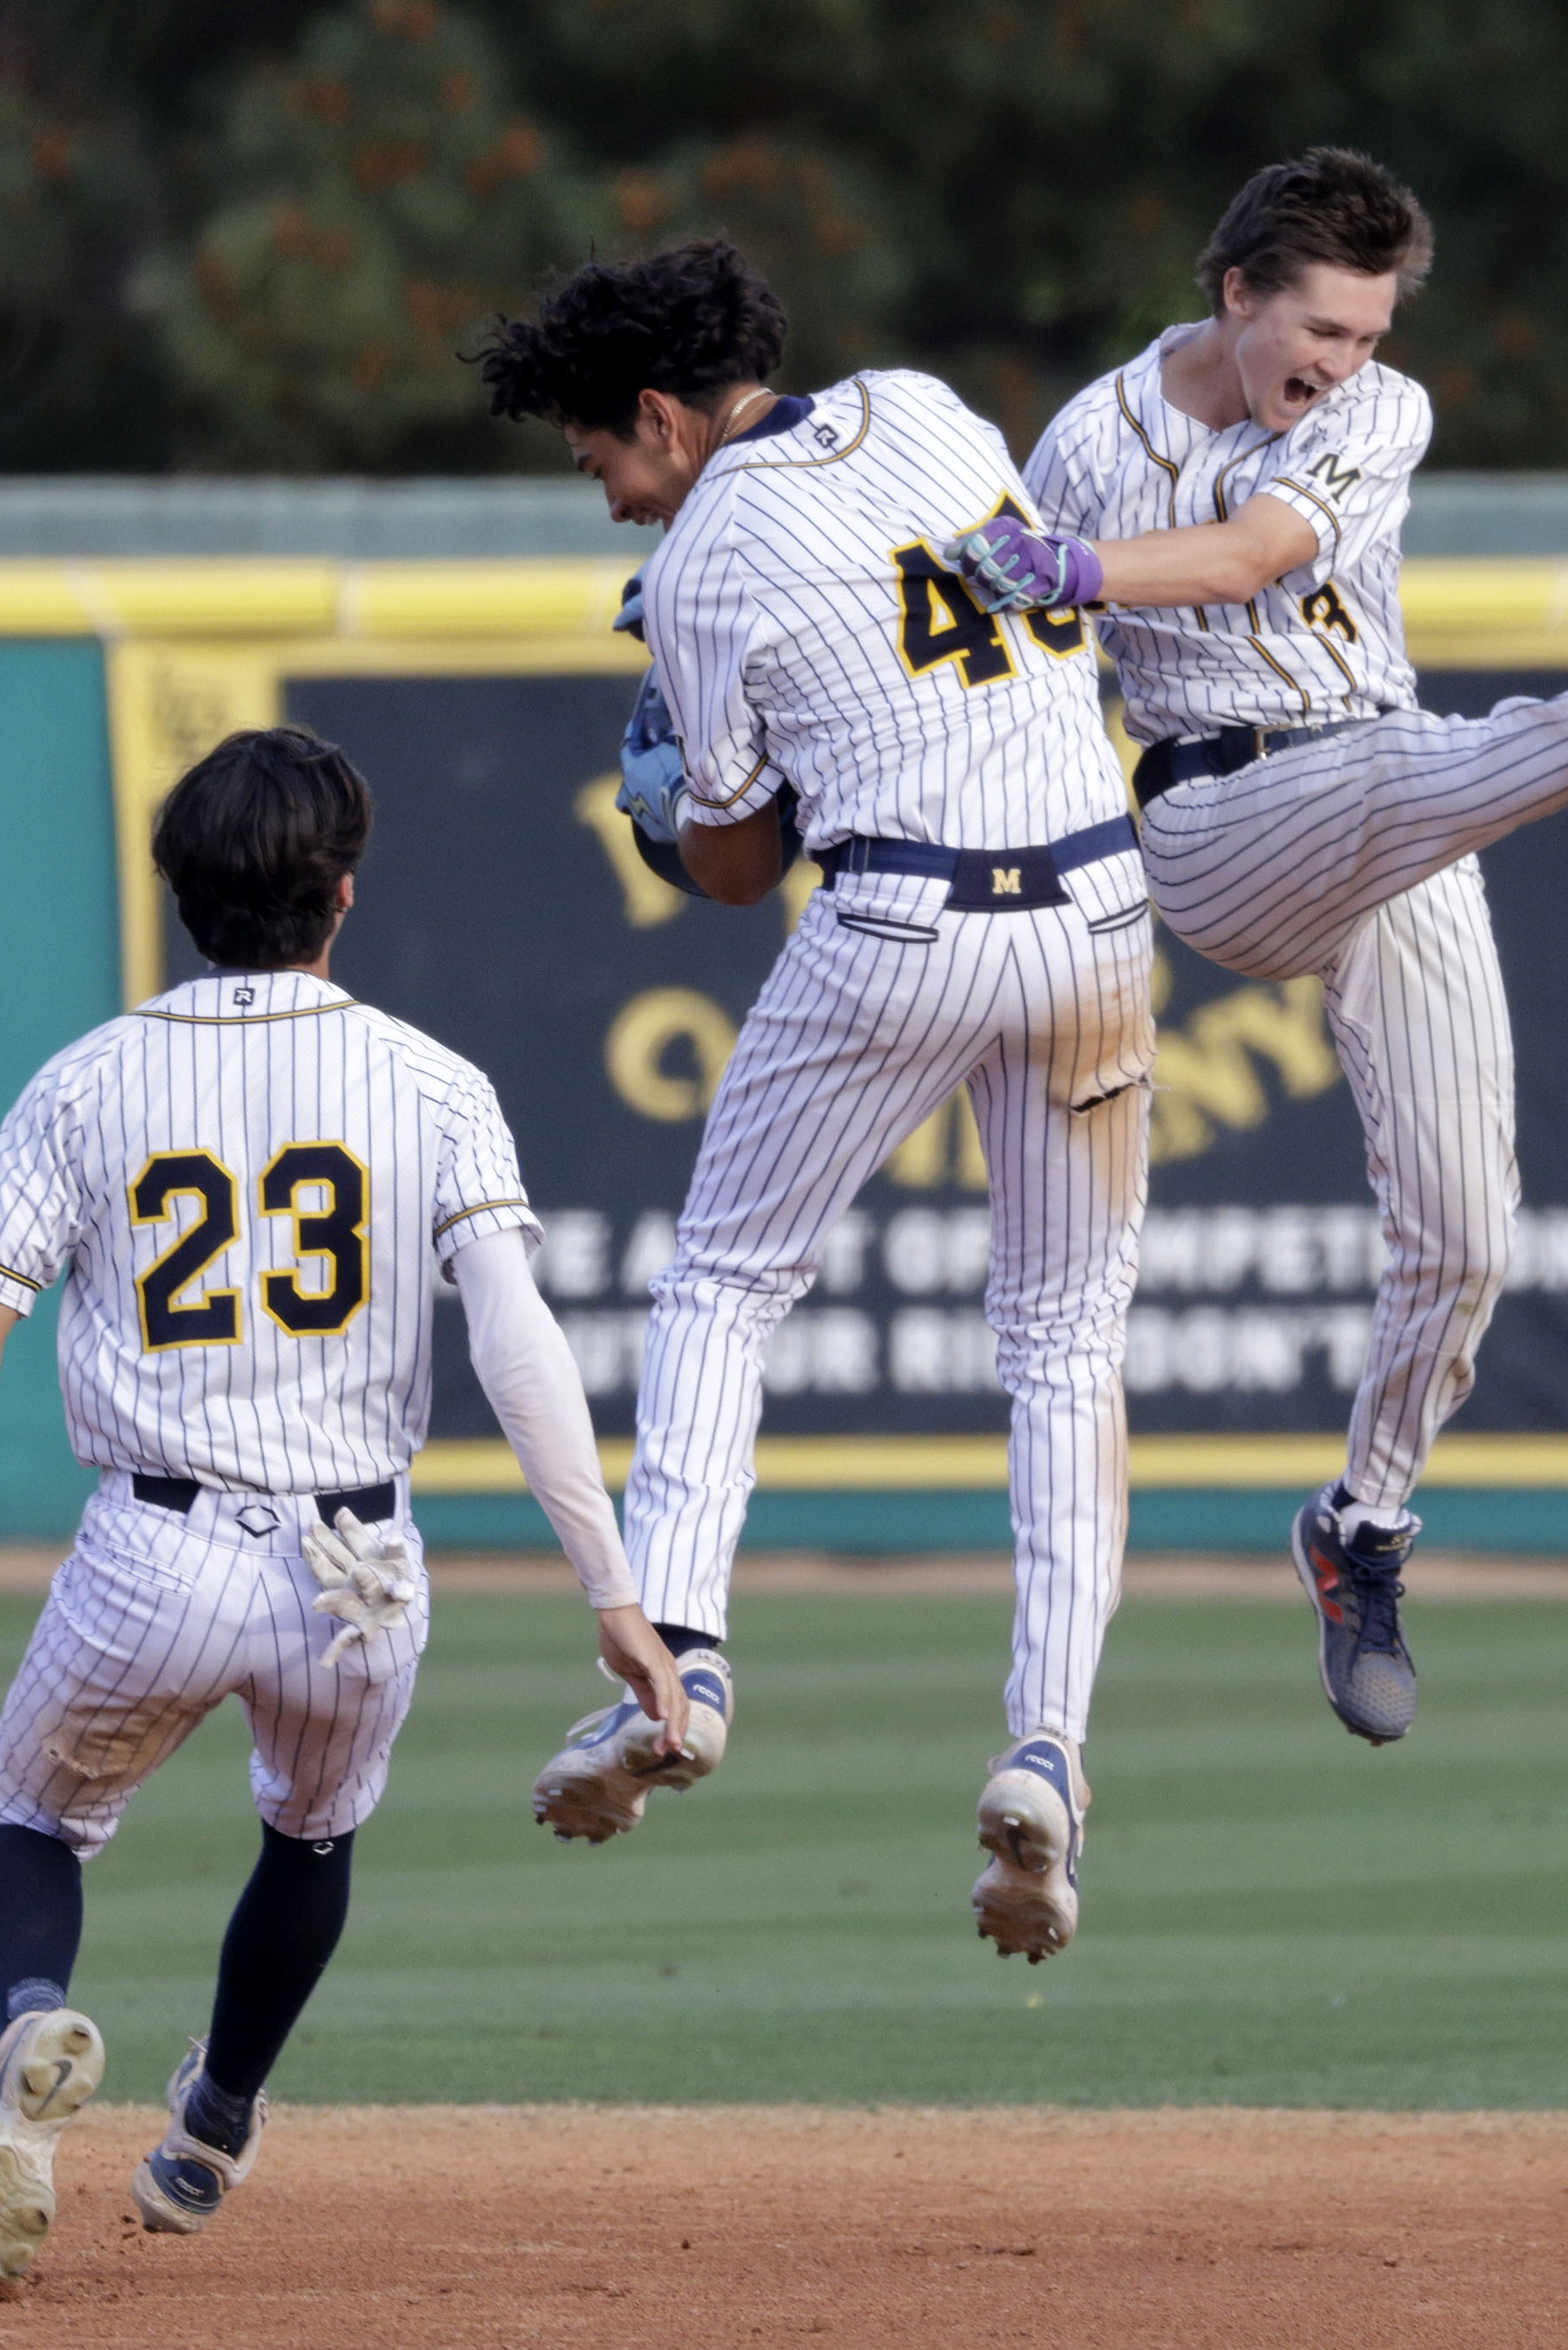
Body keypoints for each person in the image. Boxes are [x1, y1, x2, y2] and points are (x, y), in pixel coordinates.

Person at [0, 725, 685, 2294]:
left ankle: (32, 2035)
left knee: (32, 1821)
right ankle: (213, 2125)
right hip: (360, 1570)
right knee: (313, 1831)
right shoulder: (434, 1083)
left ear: (180, 894)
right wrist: (614, 1593)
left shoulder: (88, 1080)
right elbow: (516, 1343)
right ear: (342, 894)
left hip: (154, 1550)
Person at [945, 148, 1568, 1745]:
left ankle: (1363, 1527)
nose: (1347, 362)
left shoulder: (1384, 413)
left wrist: (1078, 573)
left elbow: (1257, 552)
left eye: (1371, 333)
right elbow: (997, 658)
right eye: (1321, 327)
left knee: (1466, 1237)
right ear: (1236, 290)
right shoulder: (1088, 444)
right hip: (1219, 822)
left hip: (1407, 807)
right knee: (1397, 762)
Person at [476, 239, 1152, 1963]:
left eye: (601, 456)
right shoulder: (926, 406)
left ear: (660, 415)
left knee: (725, 1279)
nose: (609, 495)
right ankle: (1049, 1747)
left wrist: (656, 799)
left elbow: (728, 866)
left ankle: (681, 1664)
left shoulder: (704, 554)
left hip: (904, 916)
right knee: (1067, 1341)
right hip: (1096, 902)